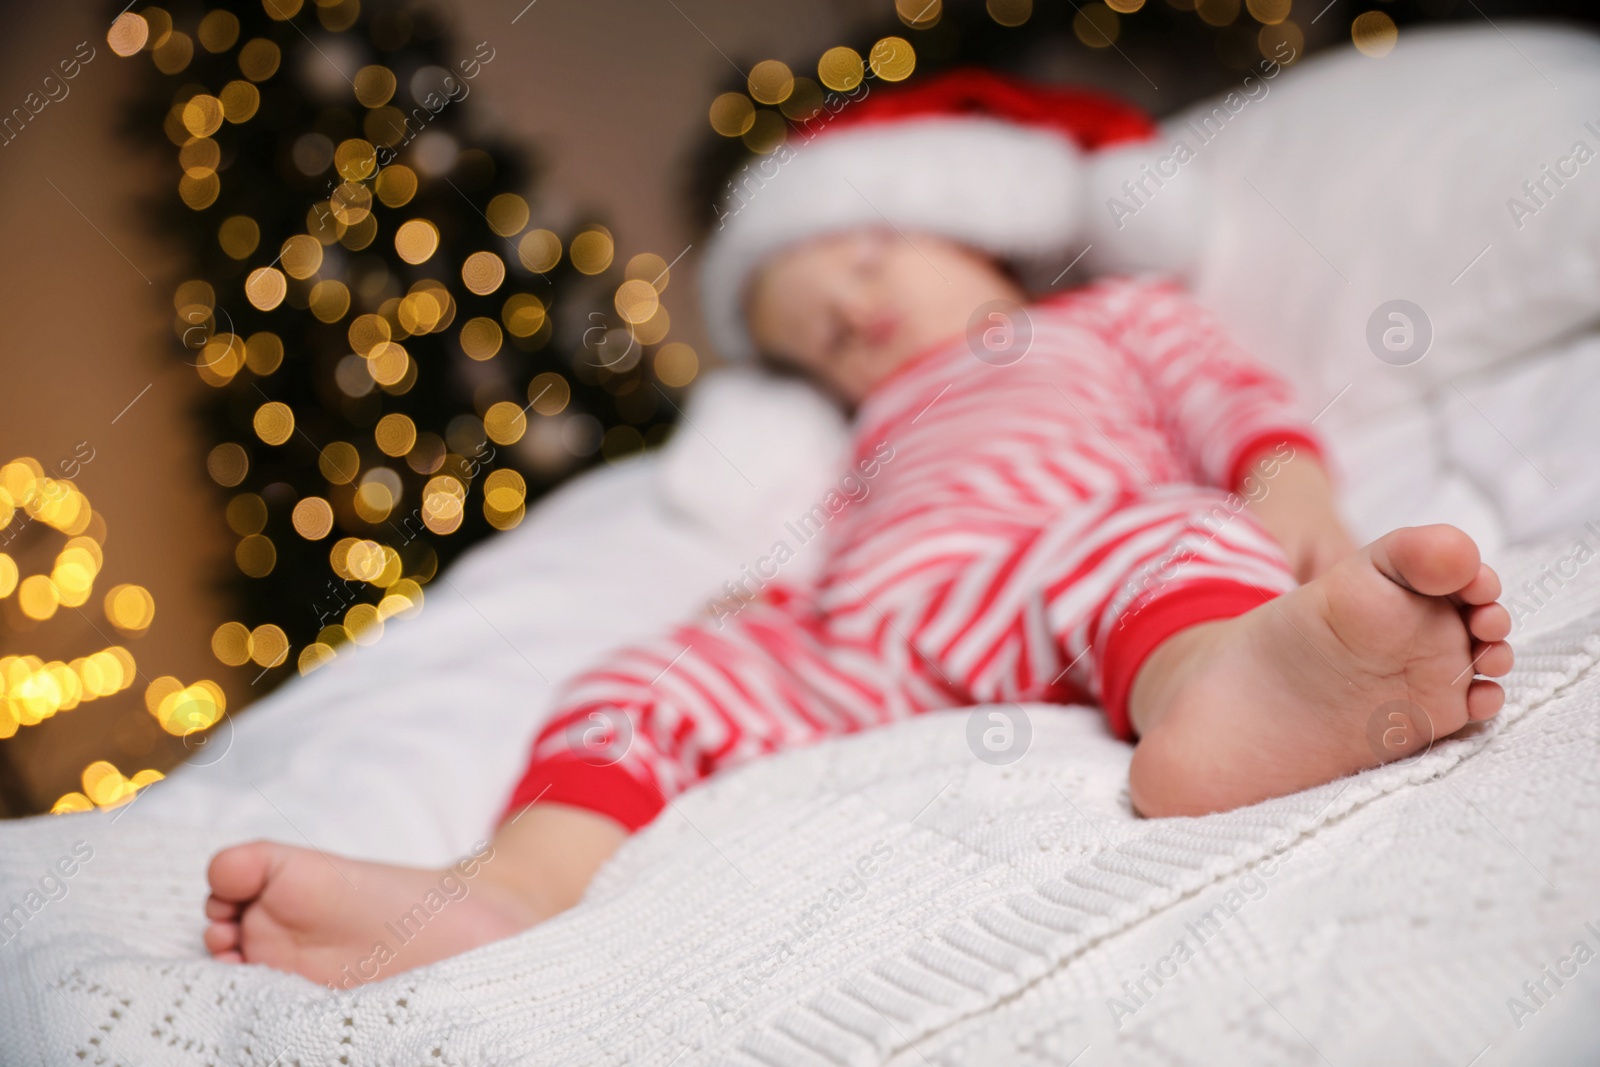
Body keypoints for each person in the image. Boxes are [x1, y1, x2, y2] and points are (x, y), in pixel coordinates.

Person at [200, 71, 1512, 987]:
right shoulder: (868, 427)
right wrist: (747, 622)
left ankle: (1224, 688)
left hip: (1063, 547)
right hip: (866, 640)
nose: (847, 303)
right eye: (813, 324)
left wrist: (1290, 486)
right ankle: (506, 887)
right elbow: (825, 546)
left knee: (1175, 541)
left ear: (987, 232)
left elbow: (1236, 395)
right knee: (642, 677)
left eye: (873, 256)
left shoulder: (1103, 321)